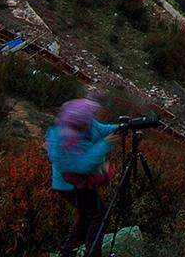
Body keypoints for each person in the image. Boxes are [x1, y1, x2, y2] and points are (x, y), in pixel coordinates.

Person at [46, 95, 118, 257]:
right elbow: (81, 165)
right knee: (98, 215)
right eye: (86, 122)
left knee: (87, 216)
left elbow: (101, 129)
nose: (89, 123)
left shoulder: (87, 123)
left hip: (81, 184)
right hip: (70, 186)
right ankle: (92, 252)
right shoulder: (63, 139)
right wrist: (105, 144)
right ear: (77, 124)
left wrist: (122, 127)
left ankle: (69, 251)